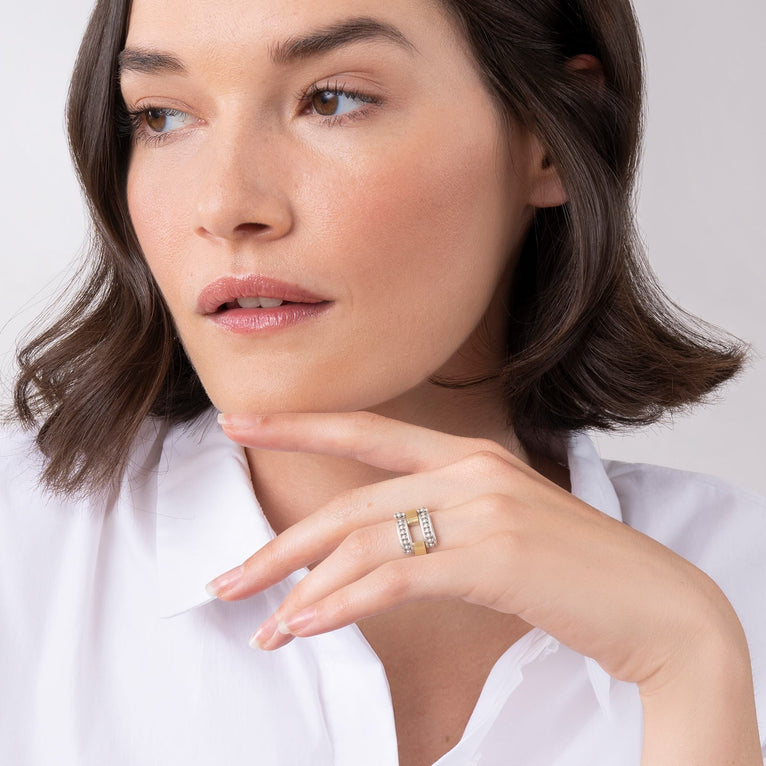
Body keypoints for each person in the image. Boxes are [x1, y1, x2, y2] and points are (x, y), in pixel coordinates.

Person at [1, 0, 764, 764]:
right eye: (163, 116)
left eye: (332, 99)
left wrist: (691, 664)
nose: (225, 205)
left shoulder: (736, 579)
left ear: (550, 141)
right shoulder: (22, 554)